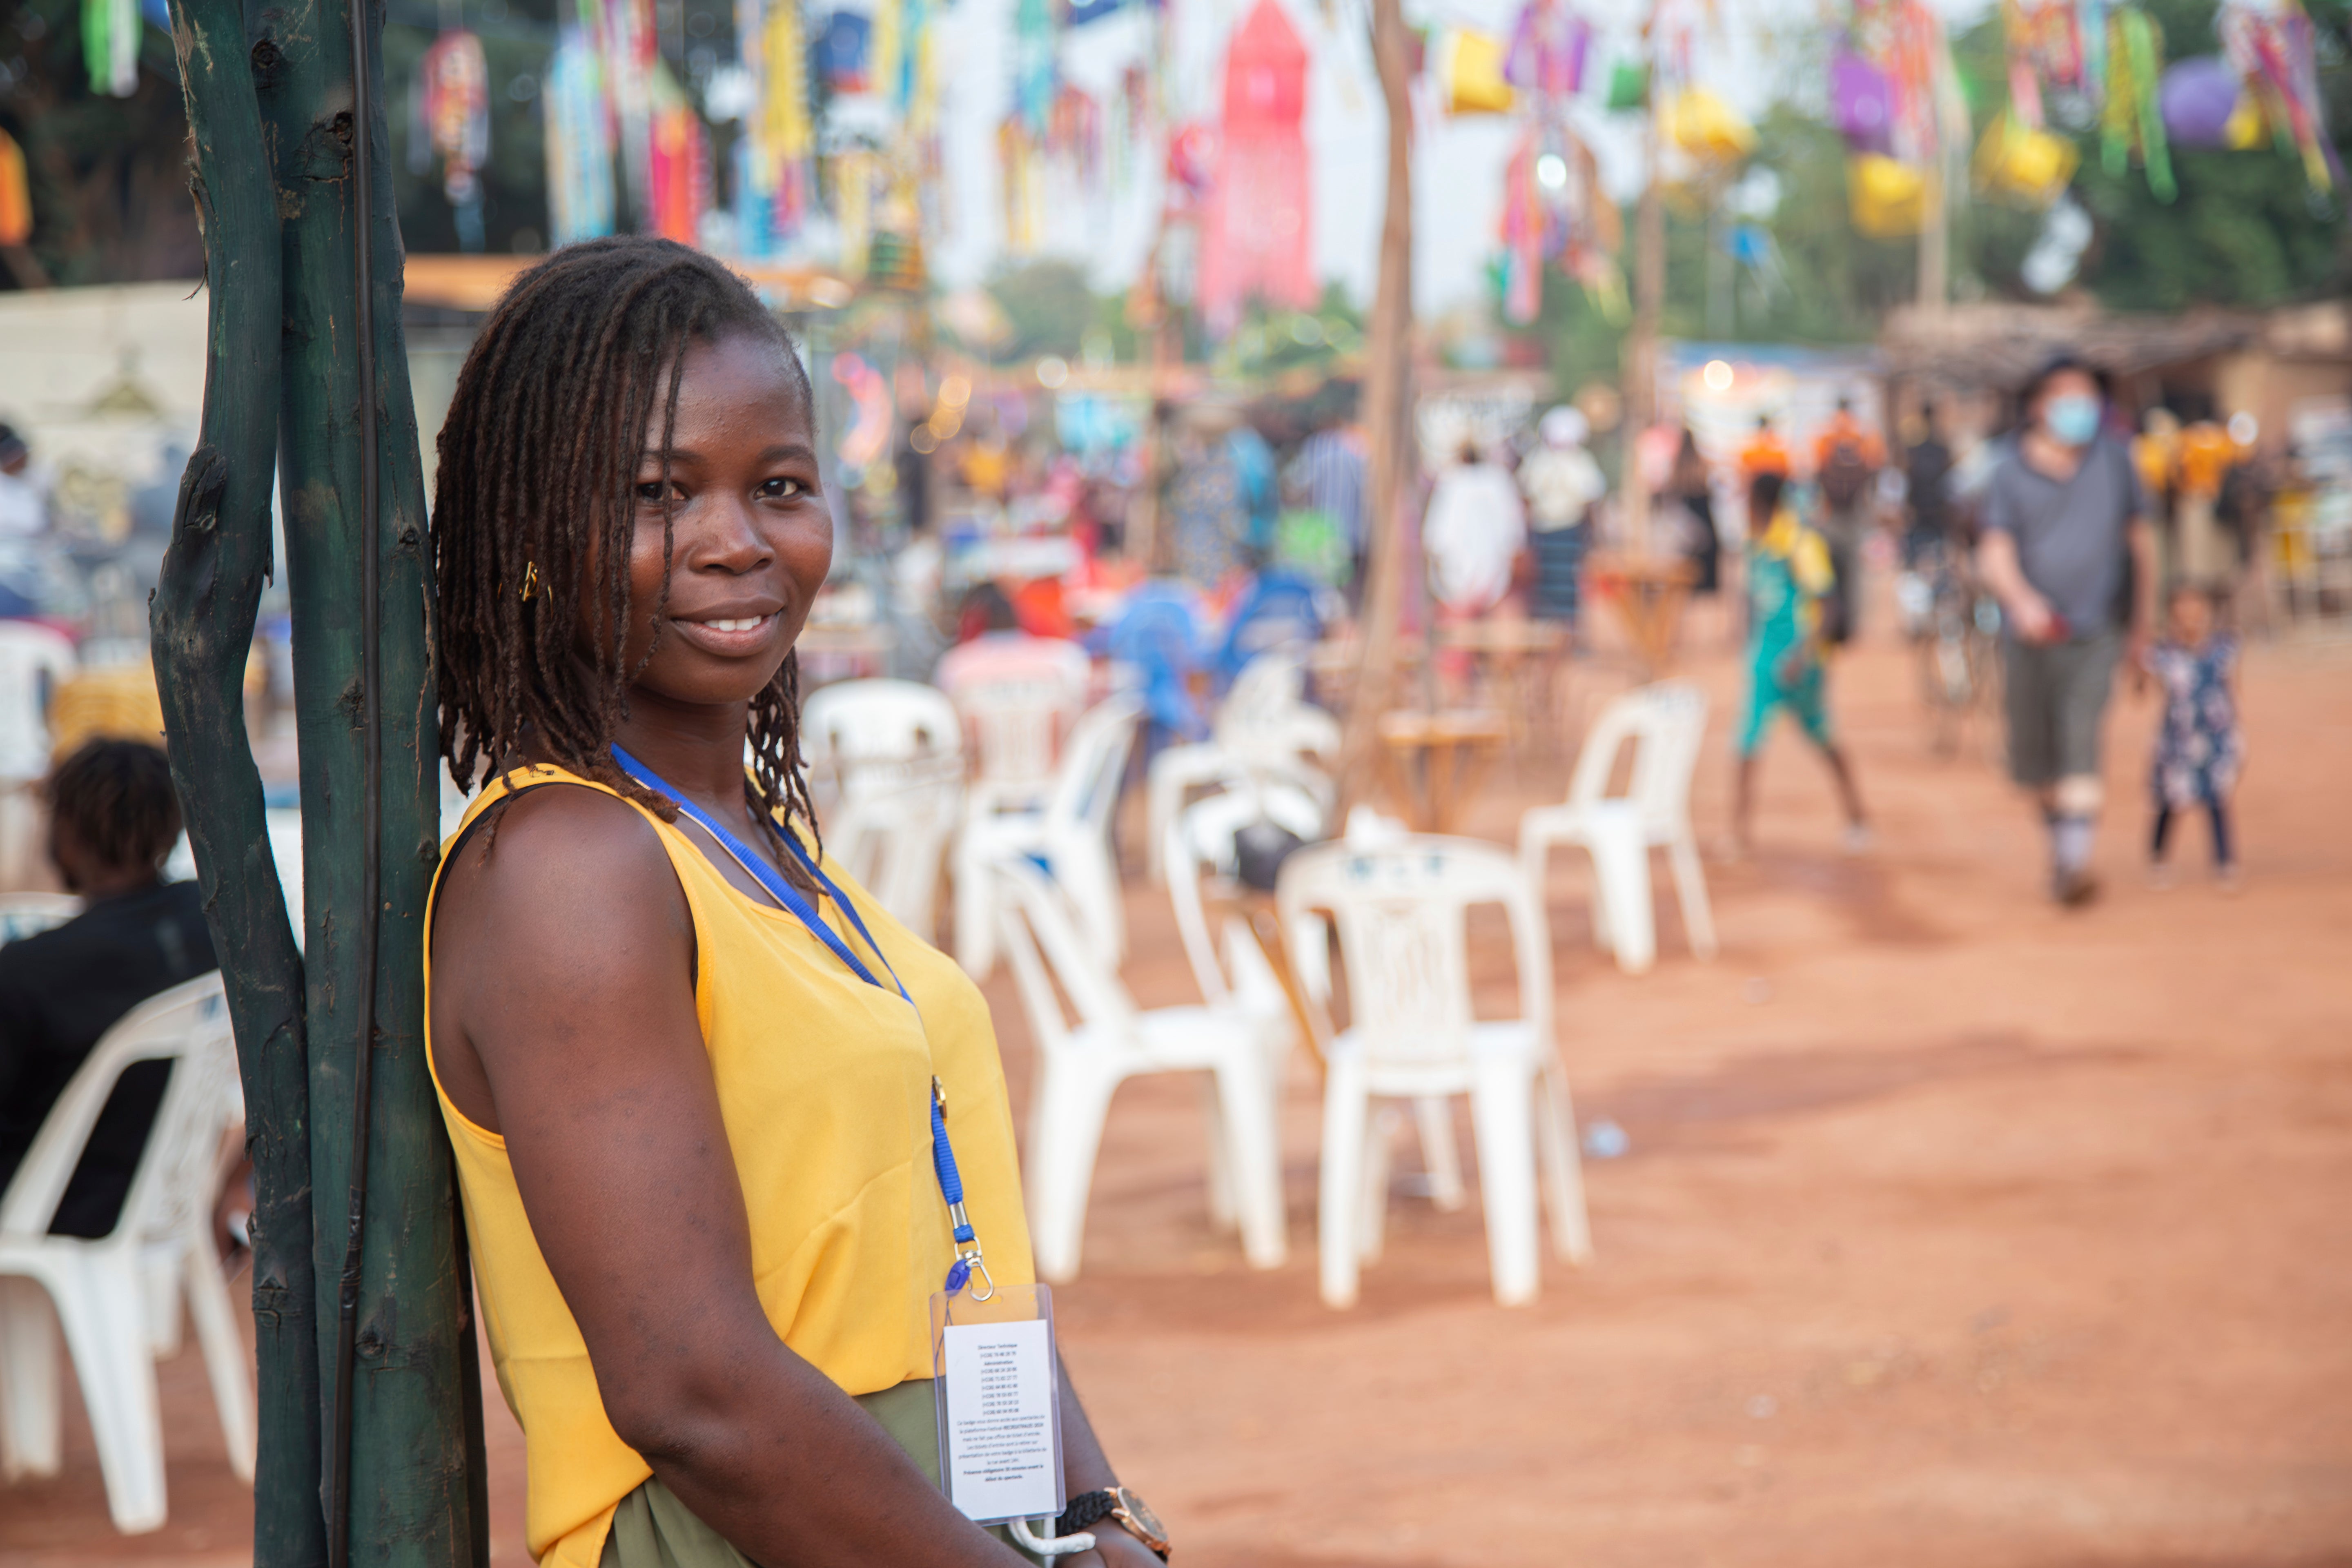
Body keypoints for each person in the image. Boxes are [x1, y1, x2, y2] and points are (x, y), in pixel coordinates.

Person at [424, 238, 1167, 1568]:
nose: (735, 543)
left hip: (937, 1513)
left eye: (779, 486)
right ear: (530, 527)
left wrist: (1101, 1516)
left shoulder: (748, 844)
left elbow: (961, 1256)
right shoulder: (567, 868)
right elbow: (695, 1396)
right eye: (658, 495)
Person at [0, 739, 216, 1238]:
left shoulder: (30, 972)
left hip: (49, 1210)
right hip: (160, 1199)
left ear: (67, 832)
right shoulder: (209, 924)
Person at [1976, 354, 2156, 906]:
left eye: (2088, 397)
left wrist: (2144, 626)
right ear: (2038, 406)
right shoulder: (2008, 472)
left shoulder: (2118, 462)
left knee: (2082, 739)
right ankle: (2063, 849)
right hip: (2030, 640)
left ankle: (2077, 863)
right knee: (2038, 764)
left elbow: (2142, 545)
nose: (2080, 409)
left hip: (2096, 631)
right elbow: (1995, 551)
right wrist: (2024, 603)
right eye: (2066, 396)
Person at [1732, 472, 1868, 856]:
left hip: (1802, 663)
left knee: (1824, 738)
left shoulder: (1800, 544)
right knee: (1747, 742)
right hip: (1764, 659)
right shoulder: (1755, 544)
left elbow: (1828, 606)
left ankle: (1857, 816)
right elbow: (1753, 599)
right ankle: (1739, 833)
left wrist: (1803, 655)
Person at [2144, 582, 2244, 889]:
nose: (2190, 614)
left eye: (2196, 606)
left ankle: (2225, 863)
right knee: (2171, 801)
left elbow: (2234, 689)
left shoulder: (2225, 648)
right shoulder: (2162, 653)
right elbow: (2150, 690)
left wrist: (2233, 734)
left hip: (2214, 737)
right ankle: (2159, 859)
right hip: (2178, 739)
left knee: (2216, 798)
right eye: (2183, 607)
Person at [1517, 406, 1604, 626]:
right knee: (1550, 584)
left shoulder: (1542, 460)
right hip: (1552, 533)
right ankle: (1554, 631)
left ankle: (1563, 631)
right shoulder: (1555, 460)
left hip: (1565, 533)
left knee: (1564, 584)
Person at [1809, 395, 1885, 646]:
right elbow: (1874, 472)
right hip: (1855, 513)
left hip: (1830, 513)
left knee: (1829, 572)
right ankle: (1852, 627)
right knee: (1854, 573)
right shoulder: (1862, 435)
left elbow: (1815, 475)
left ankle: (1832, 625)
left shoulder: (1825, 436)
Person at [1422, 439, 1526, 617]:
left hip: (1469, 581)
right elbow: (1514, 538)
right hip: (1477, 581)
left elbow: (1435, 539)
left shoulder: (1454, 482)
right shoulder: (1495, 481)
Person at [1901, 400, 1953, 570]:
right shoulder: (1938, 447)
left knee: (1926, 552)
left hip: (1928, 507)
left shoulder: (1918, 448)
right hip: (1930, 507)